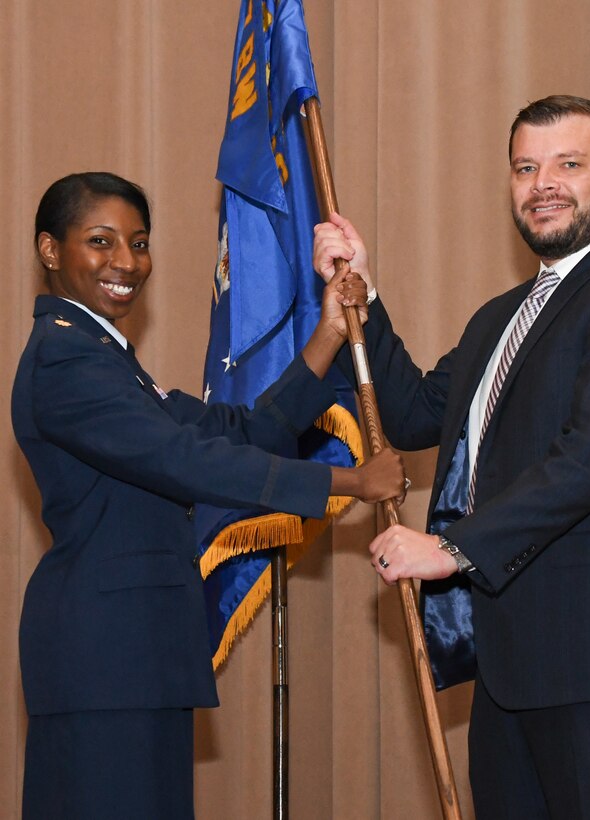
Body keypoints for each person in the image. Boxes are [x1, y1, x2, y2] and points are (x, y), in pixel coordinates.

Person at [313, 96, 590, 820]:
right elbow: (408, 413)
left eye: (567, 164)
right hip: (506, 673)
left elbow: (587, 459)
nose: (541, 183)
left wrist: (450, 548)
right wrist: (362, 292)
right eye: (525, 168)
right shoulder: (500, 317)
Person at [13, 171, 405, 820]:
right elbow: (186, 461)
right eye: (101, 241)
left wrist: (330, 333)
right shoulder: (65, 360)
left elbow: (240, 431)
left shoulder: (104, 358)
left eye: (139, 243)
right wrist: (351, 482)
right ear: (51, 251)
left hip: (137, 654)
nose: (126, 262)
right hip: (105, 659)